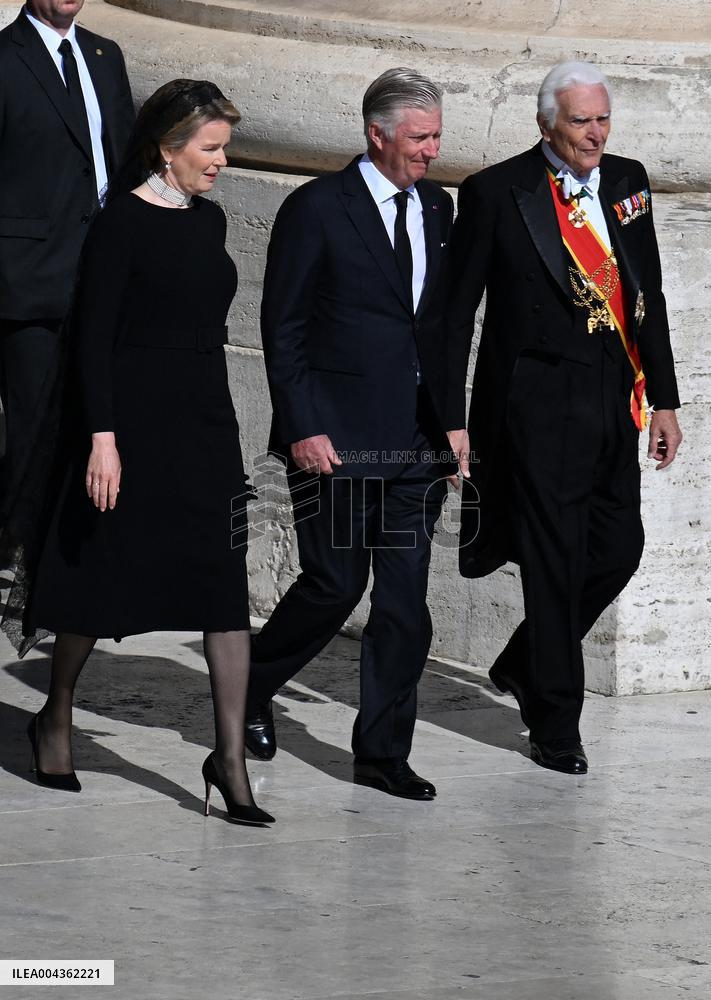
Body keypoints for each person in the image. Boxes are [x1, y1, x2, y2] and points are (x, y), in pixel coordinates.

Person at [14, 79, 274, 826]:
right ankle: (56, 713)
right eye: (211, 147)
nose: (221, 161)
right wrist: (103, 437)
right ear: (168, 148)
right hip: (129, 424)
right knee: (97, 578)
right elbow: (93, 338)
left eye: (224, 147)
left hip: (203, 422)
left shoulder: (211, 219)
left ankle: (227, 760)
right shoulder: (120, 224)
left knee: (224, 589)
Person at [447, 61, 682, 774]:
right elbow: (457, 313)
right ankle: (555, 722)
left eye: (602, 118)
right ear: (545, 122)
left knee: (618, 547)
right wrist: (449, 419)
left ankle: (523, 660)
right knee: (554, 563)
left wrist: (664, 398)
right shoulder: (495, 191)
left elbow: (650, 294)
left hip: (614, 394)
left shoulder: (626, 180)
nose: (595, 133)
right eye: (581, 121)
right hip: (537, 404)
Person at [246, 67, 458, 801]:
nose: (433, 150)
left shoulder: (437, 207)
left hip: (416, 443)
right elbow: (284, 328)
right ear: (377, 134)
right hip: (336, 438)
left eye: (436, 135)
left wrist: (454, 423)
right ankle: (247, 686)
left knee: (403, 604)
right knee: (335, 584)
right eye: (420, 136)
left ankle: (381, 753)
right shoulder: (316, 208)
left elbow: (438, 330)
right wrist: (302, 426)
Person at [0, 0, 134, 509]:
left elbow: (124, 155)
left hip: (106, 275)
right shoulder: (6, 59)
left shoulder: (105, 54)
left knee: (99, 430)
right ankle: (22, 565)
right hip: (29, 285)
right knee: (36, 439)